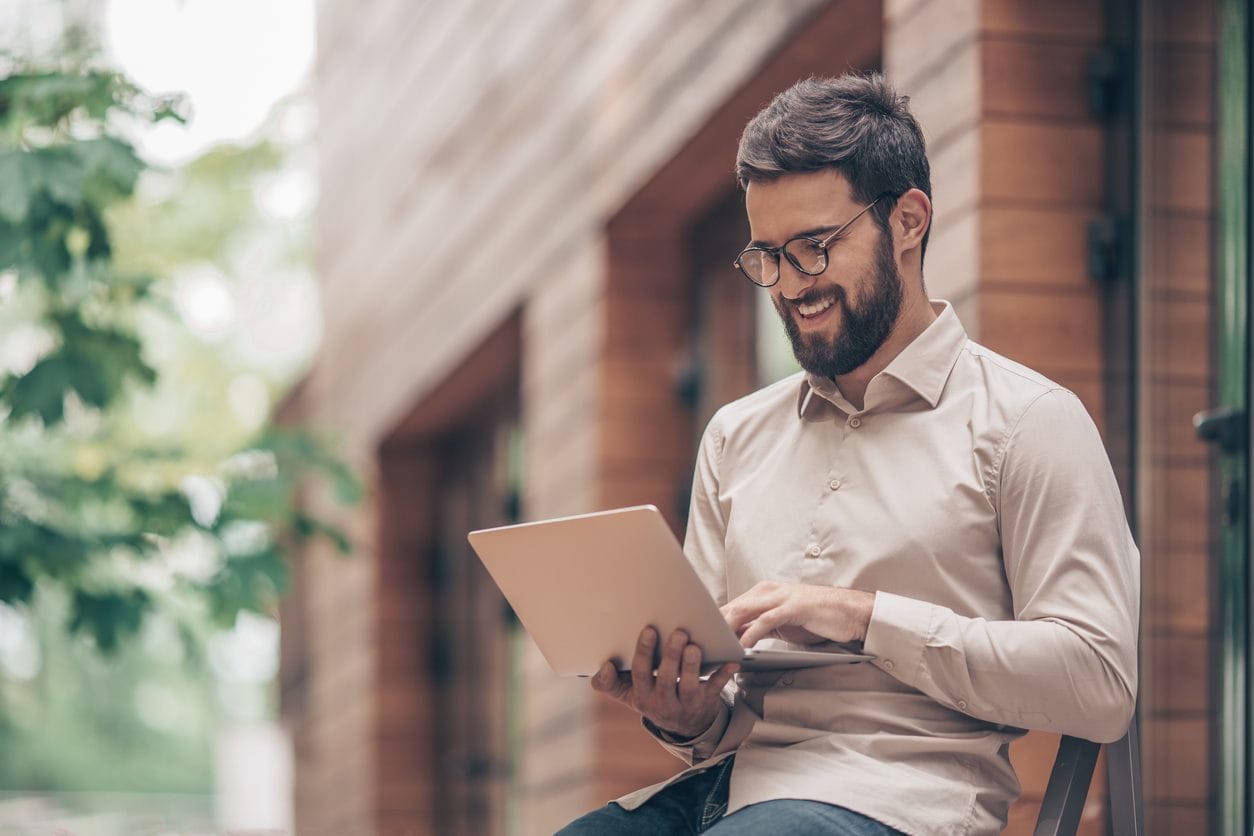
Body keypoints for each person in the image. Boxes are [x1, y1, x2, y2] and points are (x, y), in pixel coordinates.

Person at [557, 73, 1139, 836]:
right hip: (731, 797)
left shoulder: (1029, 423)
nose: (791, 285)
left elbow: (1099, 680)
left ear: (908, 219)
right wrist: (687, 714)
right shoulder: (736, 437)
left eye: (815, 248)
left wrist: (862, 616)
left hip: (901, 804)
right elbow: (720, 716)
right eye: (767, 256)